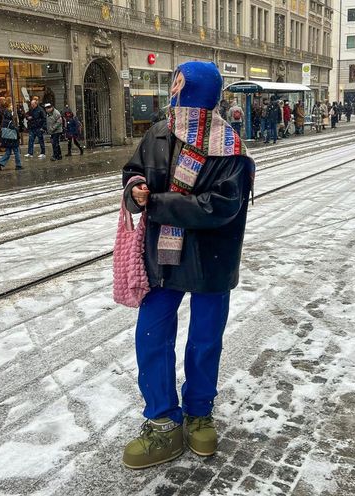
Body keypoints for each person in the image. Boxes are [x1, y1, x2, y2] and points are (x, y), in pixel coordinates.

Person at [120, 61, 254, 469]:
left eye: (183, 96)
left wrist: (157, 203)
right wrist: (135, 189)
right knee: (152, 335)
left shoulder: (230, 148)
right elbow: (133, 171)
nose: (179, 109)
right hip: (163, 256)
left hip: (210, 260)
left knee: (204, 341)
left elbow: (220, 208)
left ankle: (198, 413)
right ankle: (163, 419)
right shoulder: (157, 134)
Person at [0, 104, 22, 171]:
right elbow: (15, 130)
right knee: (16, 152)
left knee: (8, 153)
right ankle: (18, 165)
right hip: (13, 140)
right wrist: (18, 136)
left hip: (7, 140)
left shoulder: (3, 122)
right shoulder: (10, 122)